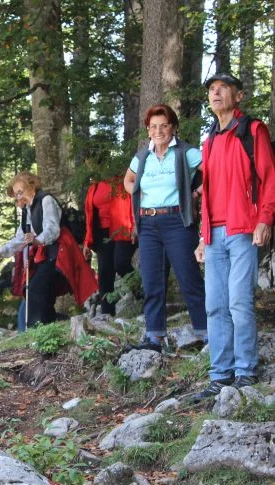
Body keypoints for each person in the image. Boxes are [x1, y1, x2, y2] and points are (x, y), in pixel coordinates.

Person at [193, 73, 275, 400]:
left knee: (239, 302)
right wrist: (202, 237)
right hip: (214, 235)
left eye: (222, 88)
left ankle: (245, 371)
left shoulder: (252, 131)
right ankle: (220, 374)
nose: (215, 93)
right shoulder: (209, 139)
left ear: (238, 96)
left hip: (244, 230)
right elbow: (208, 194)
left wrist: (265, 219)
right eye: (212, 90)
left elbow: (269, 179)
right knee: (215, 305)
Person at [123, 103, 207, 351]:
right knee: (151, 281)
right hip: (148, 223)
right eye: (153, 126)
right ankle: (155, 337)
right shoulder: (142, 157)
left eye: (164, 125)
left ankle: (206, 333)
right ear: (148, 130)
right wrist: (137, 190)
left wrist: (197, 192)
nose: (158, 131)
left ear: (173, 127)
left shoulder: (185, 153)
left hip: (177, 221)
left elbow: (214, 172)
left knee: (188, 277)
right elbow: (128, 180)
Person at [0, 172, 97, 330]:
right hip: (46, 255)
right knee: (41, 293)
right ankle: (53, 328)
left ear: (32, 185)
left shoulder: (46, 200)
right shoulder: (28, 210)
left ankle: (39, 331)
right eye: (16, 194)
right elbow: (21, 238)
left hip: (59, 252)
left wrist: (37, 240)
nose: (18, 197)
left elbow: (52, 229)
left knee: (36, 289)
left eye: (20, 192)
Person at [83, 175, 136, 316]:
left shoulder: (120, 179)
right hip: (102, 233)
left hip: (122, 228)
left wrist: (134, 228)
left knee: (121, 263)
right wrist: (87, 242)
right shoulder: (94, 185)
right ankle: (107, 315)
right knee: (105, 274)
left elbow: (130, 203)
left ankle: (143, 295)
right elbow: (90, 214)